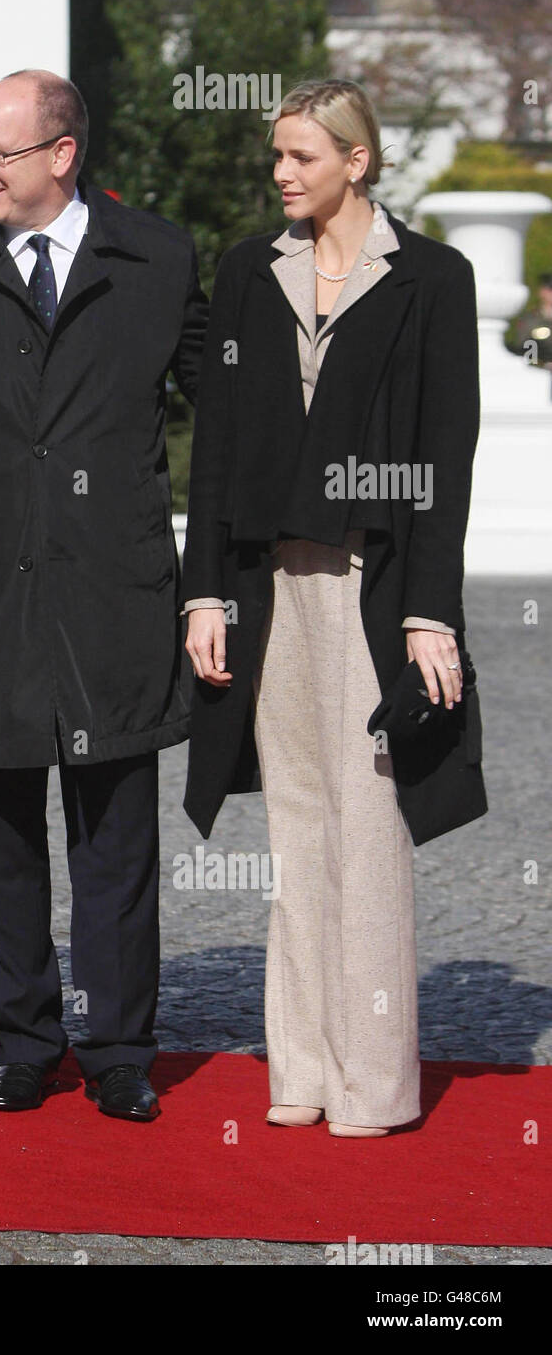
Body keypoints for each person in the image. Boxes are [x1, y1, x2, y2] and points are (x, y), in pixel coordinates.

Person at [0, 70, 207, 1121]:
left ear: (61, 156)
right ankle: (20, 1039)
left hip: (116, 596)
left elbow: (226, 409)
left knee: (116, 844)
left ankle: (115, 1051)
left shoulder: (156, 259)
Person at [182, 79, 487, 1138]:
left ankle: (375, 1087)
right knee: (300, 833)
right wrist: (207, 591)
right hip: (271, 590)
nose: (281, 173)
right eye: (277, 154)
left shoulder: (434, 280)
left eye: (301, 156)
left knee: (366, 831)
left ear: (356, 161)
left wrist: (430, 615)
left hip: (374, 587)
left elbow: (447, 458)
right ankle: (302, 1069)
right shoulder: (248, 273)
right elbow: (216, 447)